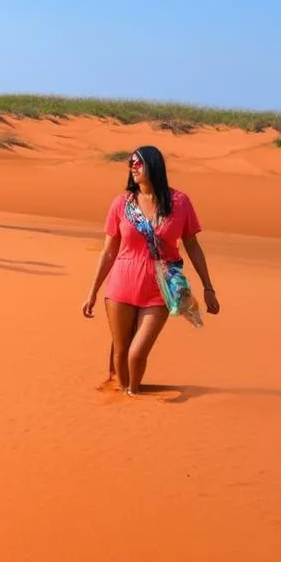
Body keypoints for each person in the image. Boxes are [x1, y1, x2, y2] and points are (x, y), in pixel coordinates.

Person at [82, 145, 220, 395]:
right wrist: (92, 293)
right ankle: (124, 398)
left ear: (153, 166)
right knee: (121, 349)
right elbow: (109, 251)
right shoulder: (122, 203)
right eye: (130, 163)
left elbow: (193, 246)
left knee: (136, 353)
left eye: (138, 163)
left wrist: (208, 287)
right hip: (121, 286)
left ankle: (133, 393)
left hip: (160, 288)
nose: (133, 168)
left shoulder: (180, 202)